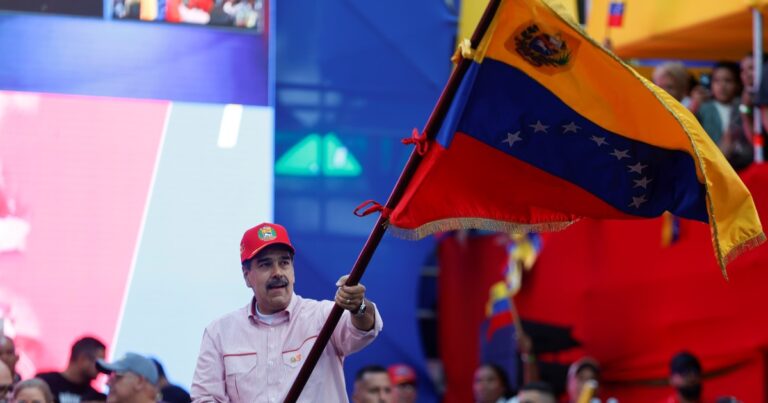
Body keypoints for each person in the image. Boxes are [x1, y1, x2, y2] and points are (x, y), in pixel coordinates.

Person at [190, 222, 383, 402]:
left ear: (293, 269)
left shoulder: (324, 316)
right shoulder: (219, 332)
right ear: (247, 276)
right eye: (265, 264)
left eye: (284, 263)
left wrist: (358, 307)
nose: (277, 273)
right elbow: (205, 398)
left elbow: (364, 330)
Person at [36, 336, 107, 403]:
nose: (101, 369)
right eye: (99, 363)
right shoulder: (44, 383)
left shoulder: (97, 398)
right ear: (82, 359)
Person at [695, 62, 742, 144]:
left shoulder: (742, 107)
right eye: (716, 81)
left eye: (728, 81)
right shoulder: (703, 109)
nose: (722, 85)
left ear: (737, 84)